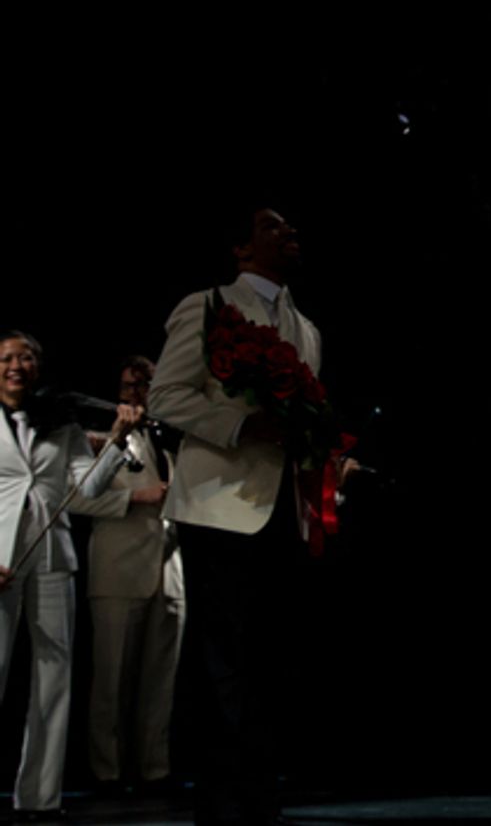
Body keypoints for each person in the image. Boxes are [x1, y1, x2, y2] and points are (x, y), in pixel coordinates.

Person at [147, 207, 321, 825]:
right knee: (221, 657)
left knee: (271, 656)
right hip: (218, 503)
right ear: (242, 248)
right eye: (275, 226)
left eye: (291, 226)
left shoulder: (307, 329)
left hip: (281, 507)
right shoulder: (209, 305)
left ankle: (259, 792)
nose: (290, 232)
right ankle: (218, 798)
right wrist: (243, 422)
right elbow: (165, 397)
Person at [0, 331, 142, 820]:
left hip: (52, 558)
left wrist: (118, 440)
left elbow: (89, 487)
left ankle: (39, 799)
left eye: (27, 357)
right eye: (7, 357)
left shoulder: (60, 422)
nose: (17, 365)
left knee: (54, 678)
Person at [84, 355, 185, 795]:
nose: (137, 393)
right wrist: (137, 497)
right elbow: (80, 497)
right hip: (119, 570)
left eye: (146, 384)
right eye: (129, 386)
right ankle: (106, 771)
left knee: (159, 682)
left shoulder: (173, 442)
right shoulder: (101, 440)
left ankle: (154, 769)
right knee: (111, 680)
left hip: (170, 571)